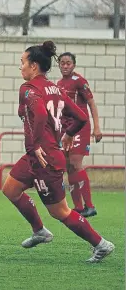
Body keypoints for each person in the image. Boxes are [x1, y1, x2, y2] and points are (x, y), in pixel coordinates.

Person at [2, 40, 114, 263]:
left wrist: (34, 145)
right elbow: (81, 117)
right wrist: (69, 134)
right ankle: (39, 231)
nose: (20, 67)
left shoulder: (28, 88)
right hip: (37, 156)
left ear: (34, 66)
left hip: (46, 159)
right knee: (10, 189)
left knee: (60, 211)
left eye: (22, 62)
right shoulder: (57, 89)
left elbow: (41, 114)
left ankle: (101, 244)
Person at [57, 52, 102, 218]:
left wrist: (96, 127)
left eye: (68, 63)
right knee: (68, 166)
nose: (65, 66)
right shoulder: (59, 83)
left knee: (76, 163)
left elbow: (91, 103)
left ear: (74, 65)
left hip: (80, 127)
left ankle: (90, 205)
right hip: (66, 129)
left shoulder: (80, 81)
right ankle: (78, 207)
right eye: (62, 63)